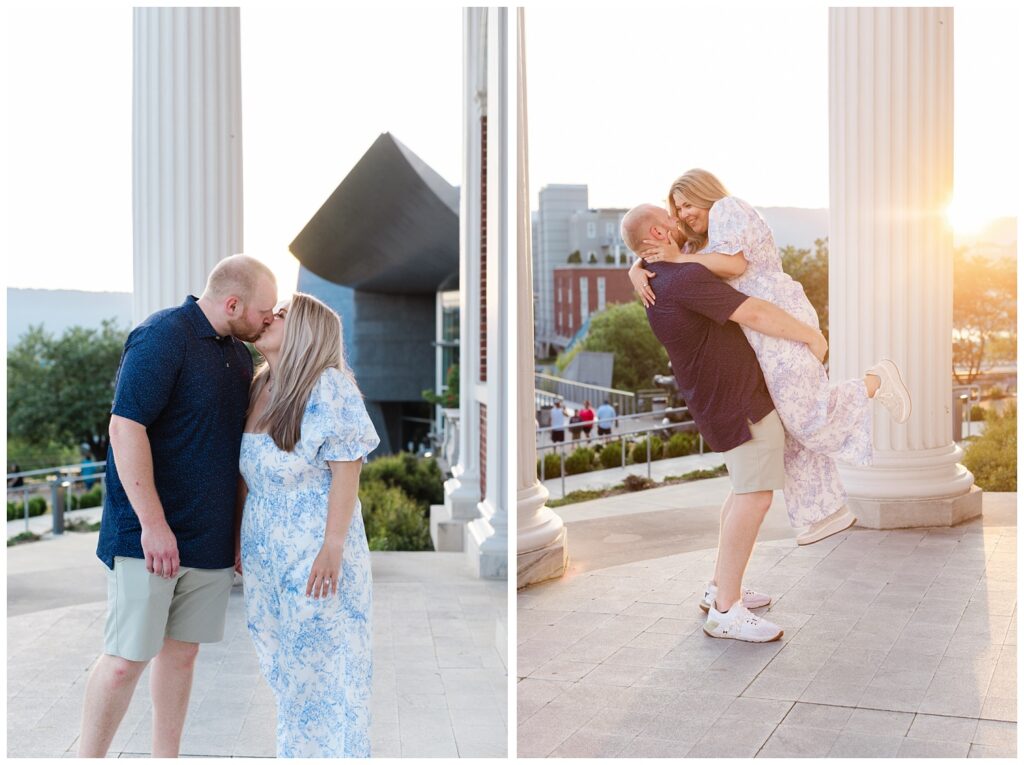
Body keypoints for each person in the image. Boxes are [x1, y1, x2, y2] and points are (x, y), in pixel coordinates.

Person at [621, 203, 906, 641]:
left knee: (741, 494)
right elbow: (754, 313)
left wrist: (636, 265)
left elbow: (650, 252)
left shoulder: (659, 278)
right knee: (754, 499)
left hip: (716, 402)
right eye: (671, 219)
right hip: (741, 405)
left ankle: (720, 586)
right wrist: (812, 336)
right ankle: (725, 611)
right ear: (659, 232)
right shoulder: (685, 278)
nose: (680, 224)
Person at [629, 169, 911, 545]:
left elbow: (735, 265)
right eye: (676, 209)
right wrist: (638, 267)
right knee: (793, 424)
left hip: (777, 316)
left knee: (807, 414)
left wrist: (677, 259)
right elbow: (661, 252)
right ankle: (822, 512)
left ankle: (876, 381)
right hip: (758, 333)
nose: (682, 214)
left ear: (705, 193)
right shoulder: (701, 243)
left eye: (686, 203)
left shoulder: (728, 208)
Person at [78, 255, 278, 758]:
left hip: (208, 540)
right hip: (147, 536)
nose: (268, 320)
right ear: (232, 303)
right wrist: (153, 524)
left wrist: (234, 535)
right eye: (263, 311)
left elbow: (234, 454)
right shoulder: (163, 335)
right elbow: (125, 427)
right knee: (125, 659)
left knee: (182, 656)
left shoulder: (240, 357)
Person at [239, 292, 378, 758]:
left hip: (316, 552)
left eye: (281, 314)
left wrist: (332, 546)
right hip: (265, 554)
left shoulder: (328, 387)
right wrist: (239, 537)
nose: (268, 317)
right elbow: (248, 474)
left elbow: (347, 465)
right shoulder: (258, 386)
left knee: (321, 675)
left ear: (304, 332)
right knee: (284, 670)